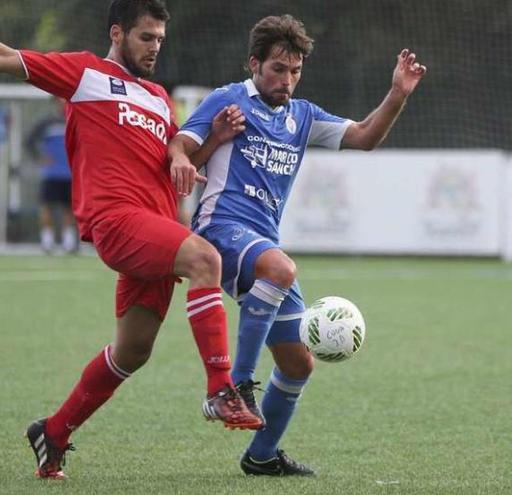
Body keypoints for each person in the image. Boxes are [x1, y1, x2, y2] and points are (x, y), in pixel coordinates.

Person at [0, 0, 261, 480]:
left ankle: (53, 433)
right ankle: (221, 390)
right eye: (146, 37)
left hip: (156, 225)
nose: (155, 48)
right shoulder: (85, 74)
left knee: (133, 352)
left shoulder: (160, 98)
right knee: (206, 259)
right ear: (118, 32)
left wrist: (202, 148)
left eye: (160, 40)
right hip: (117, 220)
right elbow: (2, 56)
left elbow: (171, 163)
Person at [167, 15, 426, 476]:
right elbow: (180, 145)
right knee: (282, 269)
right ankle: (232, 388)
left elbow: (365, 137)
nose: (287, 80)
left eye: (295, 71)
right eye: (278, 69)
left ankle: (262, 456)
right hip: (219, 229)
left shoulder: (302, 116)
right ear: (255, 64)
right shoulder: (228, 100)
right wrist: (188, 157)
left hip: (262, 245)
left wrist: (398, 94)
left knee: (299, 362)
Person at [25, 97, 77, 254]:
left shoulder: (75, 120)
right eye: (59, 100)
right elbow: (28, 142)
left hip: (71, 174)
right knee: (46, 206)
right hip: (51, 174)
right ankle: (47, 242)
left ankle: (69, 242)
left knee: (70, 208)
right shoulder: (45, 123)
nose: (62, 103)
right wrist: (39, 157)